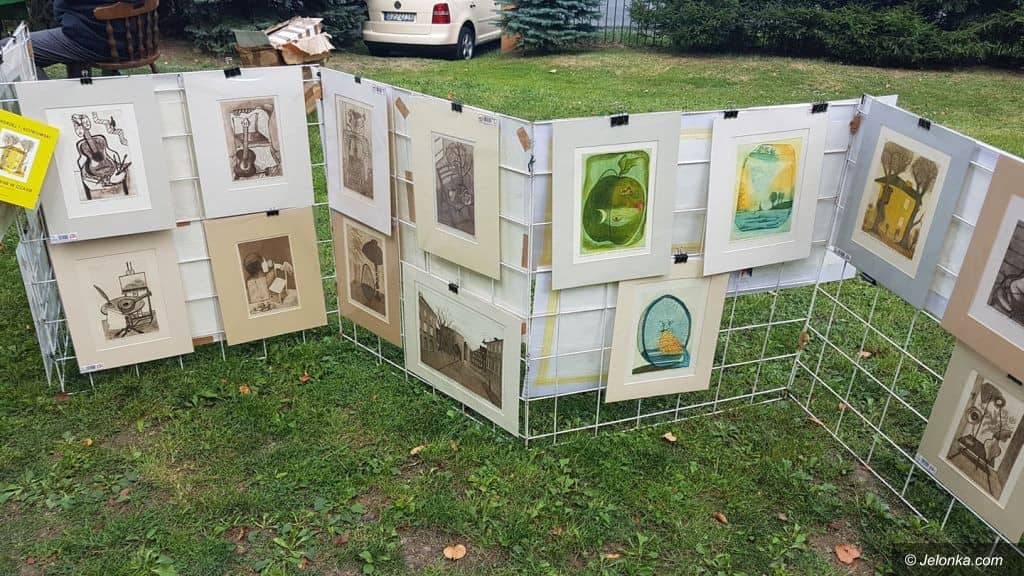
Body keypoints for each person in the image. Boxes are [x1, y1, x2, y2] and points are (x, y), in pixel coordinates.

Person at [30, 1, 134, 79]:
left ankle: (49, 99)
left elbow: (61, 10)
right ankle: (82, 89)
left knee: (22, 51)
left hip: (96, 41)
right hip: (137, 42)